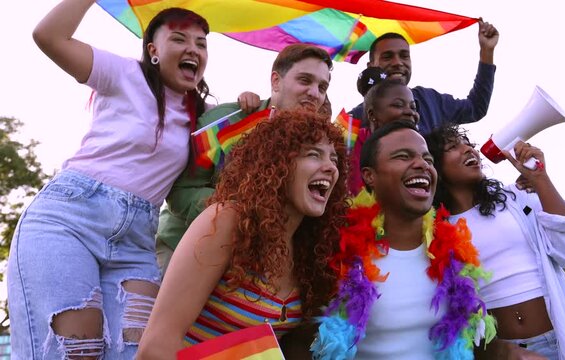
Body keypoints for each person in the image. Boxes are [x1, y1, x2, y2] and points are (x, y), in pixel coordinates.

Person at [7, 1, 210, 358]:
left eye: (201, 43)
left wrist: (250, 103)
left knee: (137, 352)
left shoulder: (204, 116)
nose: (193, 49)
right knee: (76, 350)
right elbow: (48, 36)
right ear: (153, 51)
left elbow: (256, 136)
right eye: (179, 39)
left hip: (136, 245)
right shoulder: (123, 73)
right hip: (69, 220)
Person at [137, 109, 348, 358]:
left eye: (334, 160)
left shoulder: (309, 248)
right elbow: (155, 346)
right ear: (277, 164)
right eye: (314, 155)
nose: (330, 168)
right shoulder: (227, 222)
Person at [311, 120, 495, 359]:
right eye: (403, 156)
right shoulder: (338, 255)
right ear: (369, 176)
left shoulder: (455, 253)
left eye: (428, 160)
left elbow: (472, 338)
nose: (421, 164)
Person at [424, 124, 565, 359]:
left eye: (470, 145)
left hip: (560, 340)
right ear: (434, 165)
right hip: (504, 353)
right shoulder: (435, 231)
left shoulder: (517, 199)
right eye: (453, 146)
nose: (469, 150)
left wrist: (540, 178)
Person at [155, 44, 333, 276]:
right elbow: (181, 190)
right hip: (184, 245)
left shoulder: (320, 145)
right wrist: (237, 213)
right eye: (304, 80)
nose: (314, 93)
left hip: (253, 266)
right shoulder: (228, 121)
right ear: (276, 81)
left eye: (322, 87)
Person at [349, 19, 499, 136]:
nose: (398, 63)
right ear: (371, 66)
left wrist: (487, 51)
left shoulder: (430, 100)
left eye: (404, 56)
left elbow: (476, 108)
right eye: (387, 57)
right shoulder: (353, 119)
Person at [348, 76, 419, 195]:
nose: (410, 112)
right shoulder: (351, 142)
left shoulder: (420, 146)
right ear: (372, 114)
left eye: (413, 107)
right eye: (398, 105)